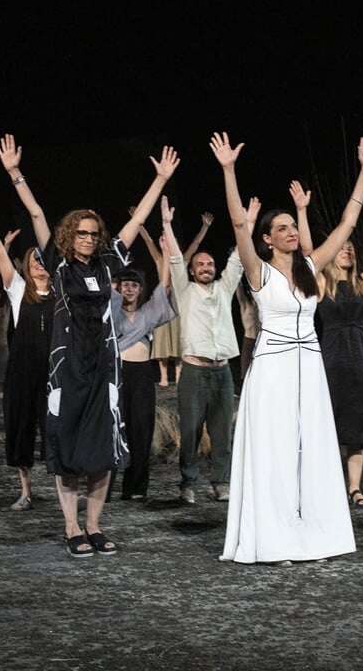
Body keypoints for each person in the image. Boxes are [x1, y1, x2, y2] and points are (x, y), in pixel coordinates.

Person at [0, 133, 178, 557]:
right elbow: (37, 212)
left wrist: (160, 181)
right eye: (81, 232)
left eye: (93, 233)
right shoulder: (59, 264)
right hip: (68, 369)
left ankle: (94, 525)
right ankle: (71, 526)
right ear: (69, 234)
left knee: (102, 450)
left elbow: (135, 223)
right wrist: (15, 173)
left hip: (104, 368)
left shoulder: (108, 261)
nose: (88, 238)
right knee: (67, 447)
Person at [214, 131, 363, 565]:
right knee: (275, 453)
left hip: (310, 368)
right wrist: (228, 171)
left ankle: (314, 538)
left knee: (312, 449)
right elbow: (238, 224)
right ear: (267, 239)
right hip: (273, 370)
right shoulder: (258, 272)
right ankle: (273, 540)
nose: (291, 232)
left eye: (293, 226)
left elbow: (347, 225)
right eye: (281, 228)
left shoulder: (310, 268)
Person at [292, 178, 363, 508]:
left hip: (359, 364)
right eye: (342, 247)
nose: (347, 250)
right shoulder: (321, 283)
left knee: (357, 428)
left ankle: (354, 488)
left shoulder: (362, 284)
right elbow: (308, 252)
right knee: (326, 425)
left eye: (351, 248)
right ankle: (322, 486)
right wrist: (302, 211)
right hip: (330, 363)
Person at [161, 208, 244, 504]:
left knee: (222, 433)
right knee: (191, 431)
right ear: (192, 270)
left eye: (210, 264)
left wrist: (245, 223)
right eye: (200, 264)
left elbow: (238, 260)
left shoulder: (224, 288)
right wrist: (167, 225)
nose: (206, 267)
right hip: (194, 372)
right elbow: (174, 259)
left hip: (222, 372)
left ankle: (220, 482)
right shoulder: (185, 291)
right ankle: (188, 483)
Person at [0, 197, 52, 512]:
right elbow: (0, 253)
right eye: (33, 260)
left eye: (43, 259)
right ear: (27, 265)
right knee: (21, 431)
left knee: (56, 431)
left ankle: (66, 488)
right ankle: (25, 492)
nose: (38, 263)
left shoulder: (62, 292)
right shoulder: (19, 289)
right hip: (23, 372)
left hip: (53, 372)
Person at [110, 203, 176, 500]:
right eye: (125, 284)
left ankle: (135, 488)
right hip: (117, 373)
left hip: (142, 375)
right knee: (113, 428)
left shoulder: (149, 312)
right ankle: (104, 487)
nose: (129, 289)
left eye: (134, 285)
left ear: (140, 289)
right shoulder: (112, 309)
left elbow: (165, 285)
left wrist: (165, 255)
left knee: (141, 430)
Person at [150, 212, 212, 387]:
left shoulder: (182, 260)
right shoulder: (159, 258)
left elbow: (195, 244)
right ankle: (163, 376)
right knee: (162, 337)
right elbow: (148, 241)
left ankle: (178, 374)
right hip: (162, 302)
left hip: (178, 303)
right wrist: (139, 225)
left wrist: (205, 227)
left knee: (178, 337)